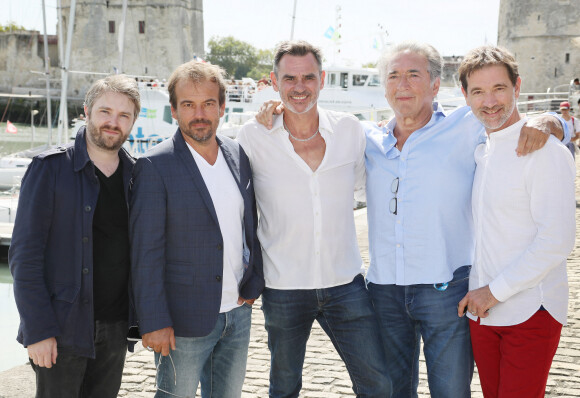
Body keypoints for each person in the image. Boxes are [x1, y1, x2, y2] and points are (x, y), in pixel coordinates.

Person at [254, 41, 567, 398]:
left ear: (435, 85)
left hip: (446, 290)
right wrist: (275, 109)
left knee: (450, 391)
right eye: (394, 76)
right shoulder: (366, 137)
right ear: (384, 86)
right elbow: (309, 122)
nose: (403, 84)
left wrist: (552, 120)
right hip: (385, 291)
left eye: (413, 75)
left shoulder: (465, 125)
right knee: (394, 390)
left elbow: (508, 119)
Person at [237, 40, 391, 398]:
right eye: (289, 78)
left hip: (346, 283)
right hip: (283, 286)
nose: (299, 87)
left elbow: (370, 174)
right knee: (284, 387)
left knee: (377, 384)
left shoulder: (350, 130)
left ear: (322, 79)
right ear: (275, 82)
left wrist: (552, 119)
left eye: (308, 77)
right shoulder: (252, 136)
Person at [129, 60, 264, 398]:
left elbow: (250, 225)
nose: (199, 113)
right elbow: (146, 252)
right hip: (182, 321)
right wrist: (154, 321)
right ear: (174, 110)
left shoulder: (237, 154)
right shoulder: (154, 166)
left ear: (221, 107)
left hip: (237, 312)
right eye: (188, 104)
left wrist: (253, 282)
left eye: (208, 103)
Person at [9, 74, 140, 397]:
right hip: (61, 326)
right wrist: (38, 331)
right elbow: (25, 257)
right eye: (105, 112)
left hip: (115, 328)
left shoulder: (137, 175)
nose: (113, 122)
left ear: (133, 122)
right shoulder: (49, 168)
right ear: (86, 112)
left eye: (124, 115)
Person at [457, 45, 575, 398]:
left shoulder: (544, 152)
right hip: (484, 313)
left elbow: (557, 240)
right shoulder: (481, 149)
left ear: (518, 87)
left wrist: (493, 292)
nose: (489, 101)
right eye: (478, 91)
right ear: (465, 96)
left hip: (530, 310)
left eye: (499, 89)